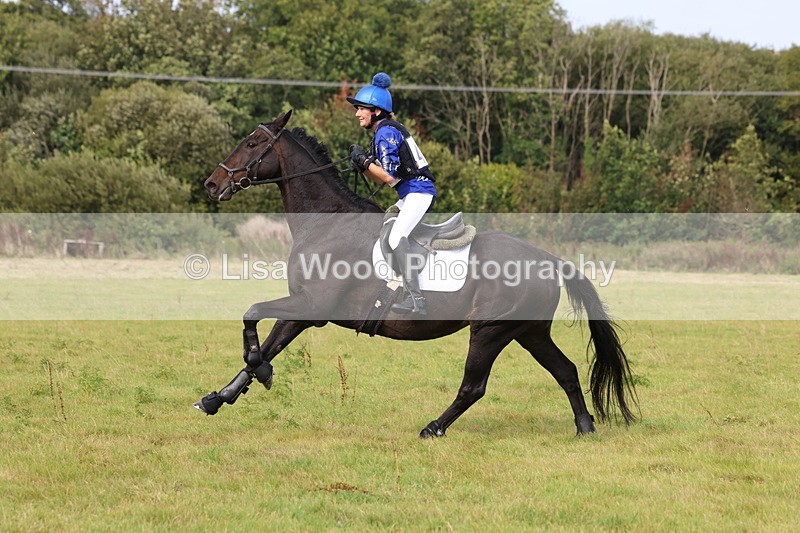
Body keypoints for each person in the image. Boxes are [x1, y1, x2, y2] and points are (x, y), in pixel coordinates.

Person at [347, 72, 437, 316]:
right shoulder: (385, 131)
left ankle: (417, 300)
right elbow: (385, 177)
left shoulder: (386, 133)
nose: (356, 113)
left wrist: (365, 162)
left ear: (375, 111)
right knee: (386, 230)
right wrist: (363, 165)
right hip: (411, 193)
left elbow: (389, 177)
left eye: (361, 108)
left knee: (397, 237)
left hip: (418, 192)